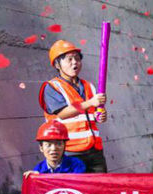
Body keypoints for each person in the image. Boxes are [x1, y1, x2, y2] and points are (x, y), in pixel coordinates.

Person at [39, 40, 107, 173]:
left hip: (94, 150)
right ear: (57, 64)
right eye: (69, 59)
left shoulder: (88, 85)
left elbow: (90, 115)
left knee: (99, 190)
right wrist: (91, 103)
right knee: (77, 191)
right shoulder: (52, 87)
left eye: (77, 58)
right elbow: (63, 113)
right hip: (69, 152)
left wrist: (99, 116)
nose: (75, 62)